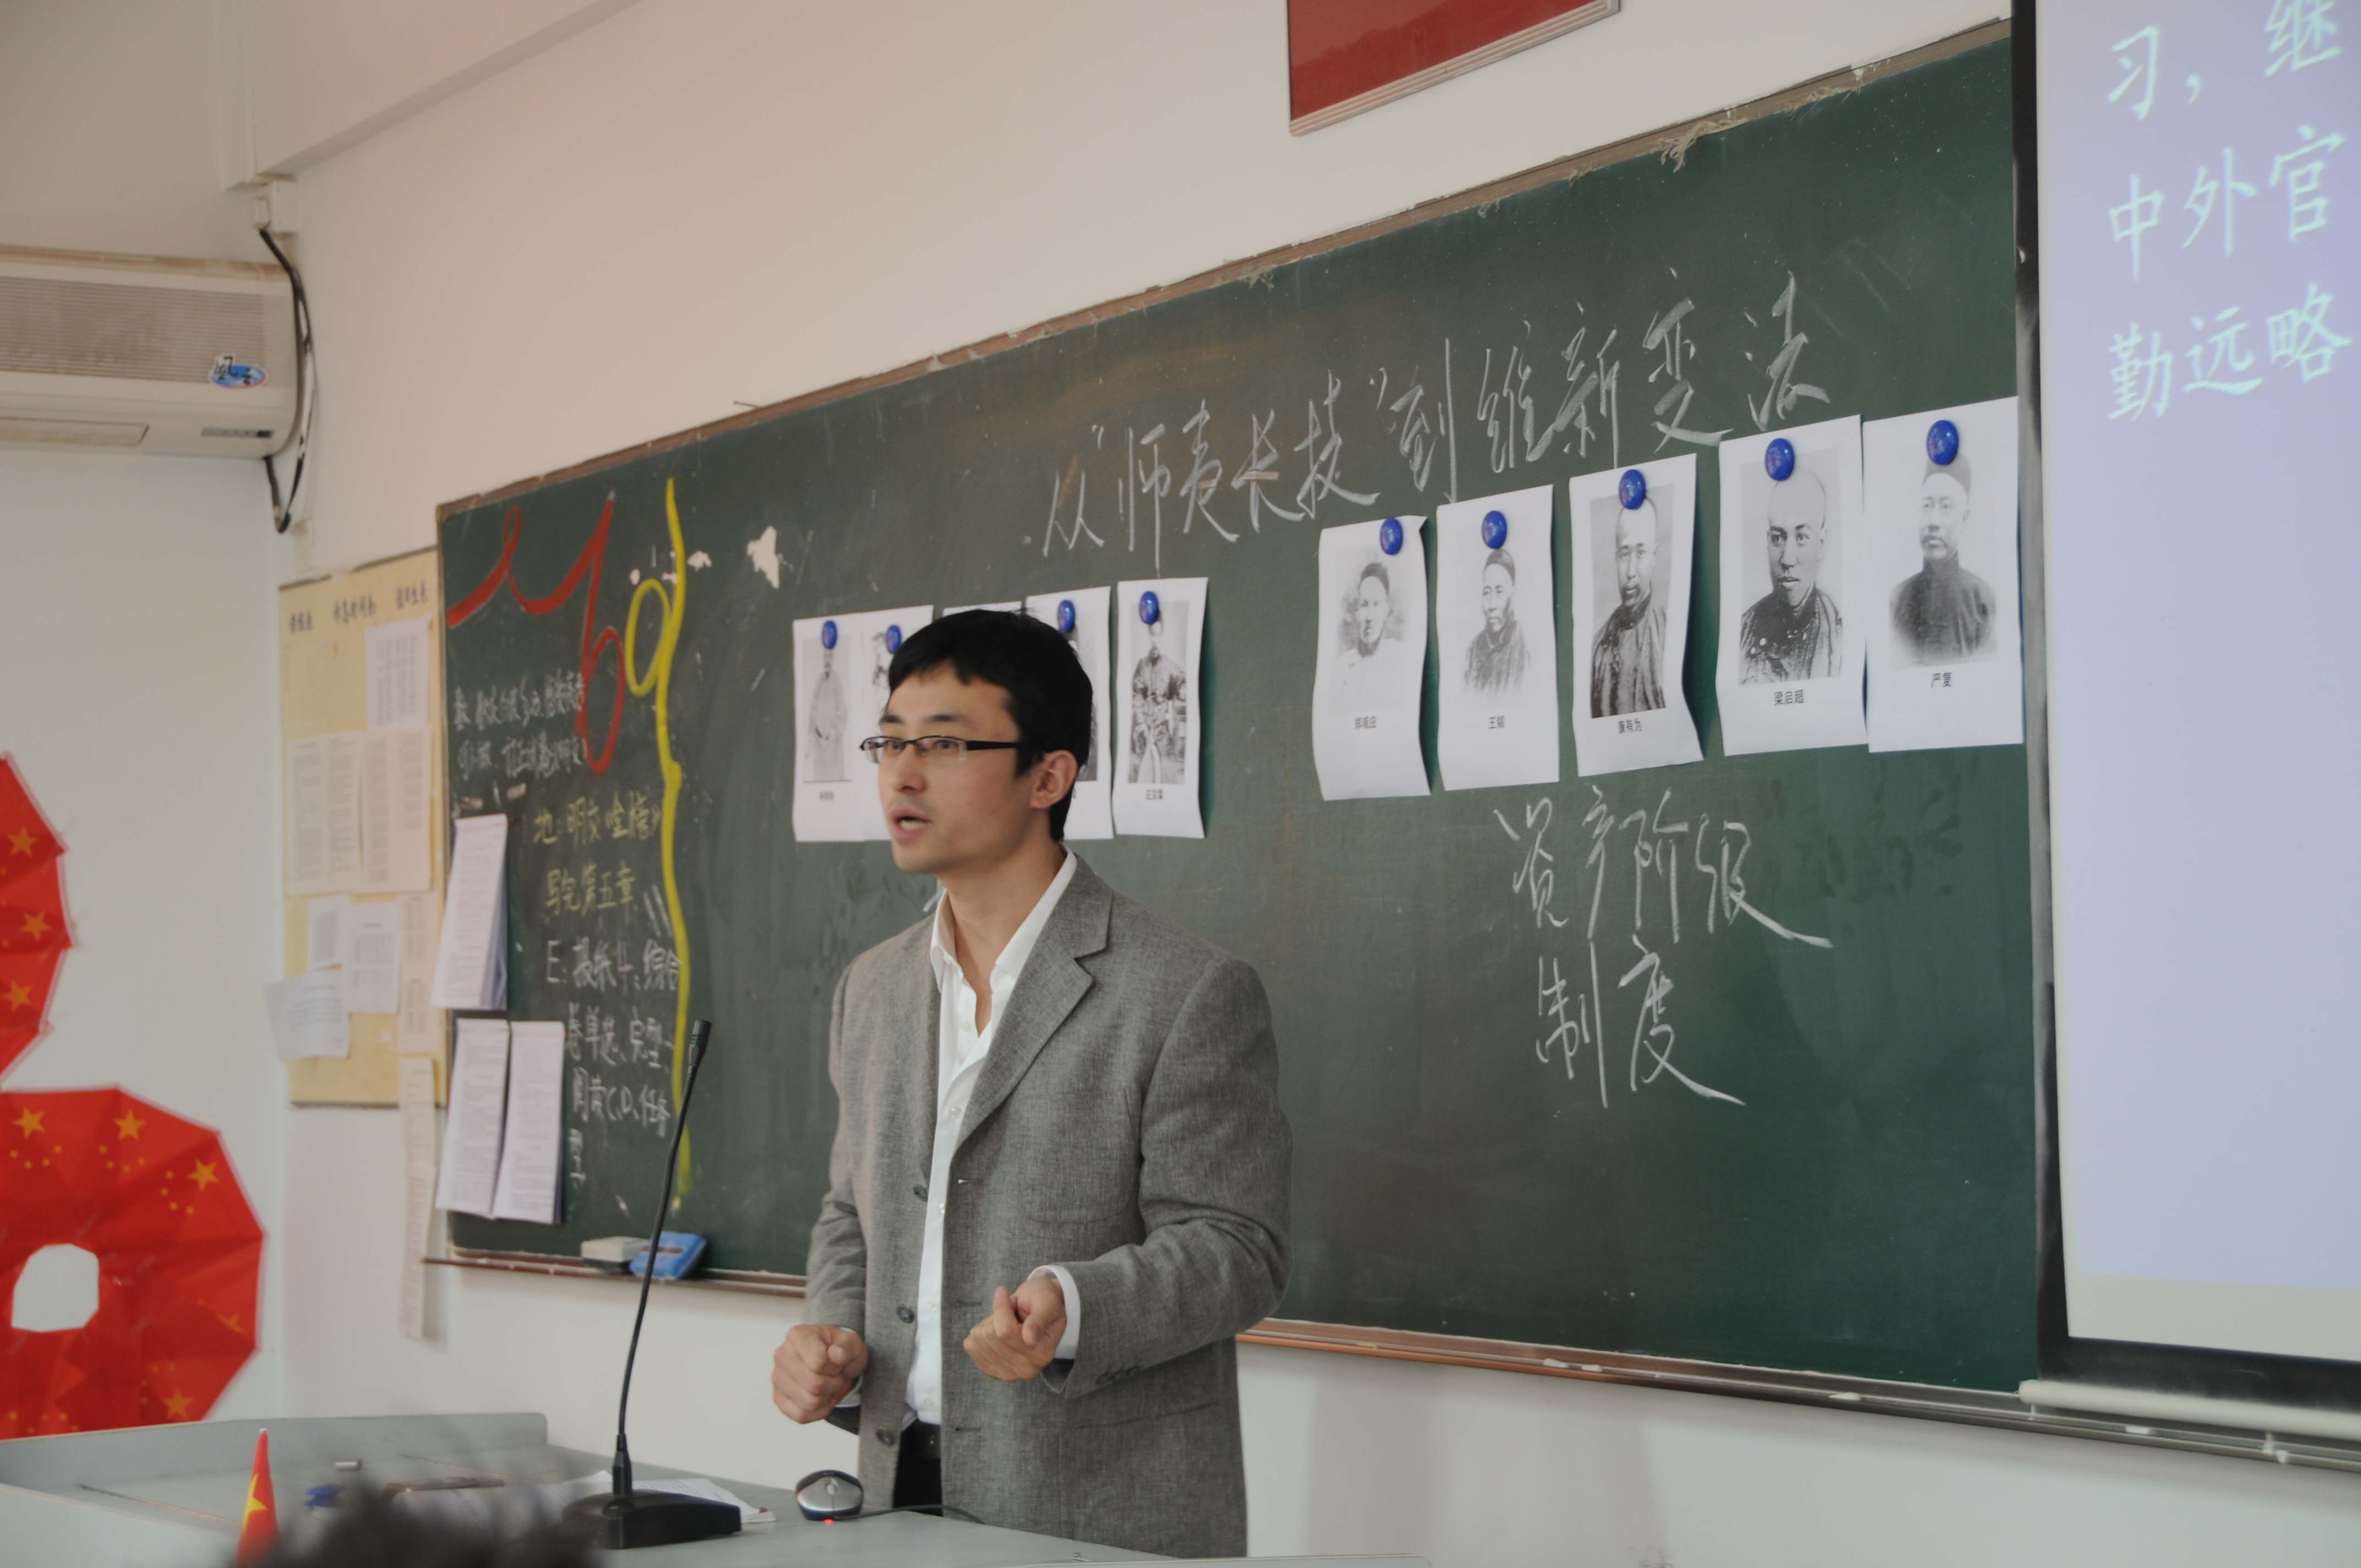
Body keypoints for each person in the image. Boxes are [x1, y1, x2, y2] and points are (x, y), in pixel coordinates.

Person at [769, 610, 1290, 1558]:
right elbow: (851, 1211)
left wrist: (1074, 1304)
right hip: (893, 1488)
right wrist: (829, 1335)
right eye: (889, 741)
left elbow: (1237, 1247)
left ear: (1048, 776)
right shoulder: (872, 988)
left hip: (1094, 1506)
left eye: (942, 744)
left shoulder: (1184, 989)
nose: (902, 773)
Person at [1739, 468, 1843, 683]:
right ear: (1767, 541)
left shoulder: (1839, 635)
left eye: (1802, 537)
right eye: (1778, 538)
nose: (1787, 559)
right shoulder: (1743, 631)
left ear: (1821, 544)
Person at [1889, 459, 1996, 663]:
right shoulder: (1897, 600)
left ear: (1964, 518)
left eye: (1946, 507)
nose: (1933, 522)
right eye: (1927, 506)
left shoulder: (1983, 601)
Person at [1590, 499, 1668, 717]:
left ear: (1654, 556)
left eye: (1641, 553)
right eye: (1625, 555)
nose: (1631, 572)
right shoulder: (1597, 647)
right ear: (1616, 558)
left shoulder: (1669, 634)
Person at [1330, 558, 1405, 711]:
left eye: (1376, 604)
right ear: (1357, 612)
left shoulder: (1401, 658)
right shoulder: (1341, 667)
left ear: (1385, 611)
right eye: (1365, 605)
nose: (1370, 617)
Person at [1126, 612, 1188, 784]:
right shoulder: (1142, 665)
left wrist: (1183, 689)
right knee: (1135, 770)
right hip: (1143, 728)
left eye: (1158, 635)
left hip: (1162, 730)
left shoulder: (1170, 666)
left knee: (1168, 770)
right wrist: (1141, 724)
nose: (1155, 639)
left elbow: (1181, 682)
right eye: (1153, 634)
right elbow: (1136, 697)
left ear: (1162, 636)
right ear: (1149, 635)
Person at [1462, 547, 1528, 697]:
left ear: (1513, 594)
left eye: (1500, 592)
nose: (1492, 605)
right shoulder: (1473, 650)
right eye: (1486, 593)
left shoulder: (1527, 645)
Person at [807, 643, 846, 781]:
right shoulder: (820, 680)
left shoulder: (837, 680)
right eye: (825, 657)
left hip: (832, 744)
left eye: (830, 657)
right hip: (819, 744)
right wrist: (814, 737)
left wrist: (830, 735)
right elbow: (813, 709)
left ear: (833, 658)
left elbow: (842, 711)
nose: (827, 660)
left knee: (834, 778)